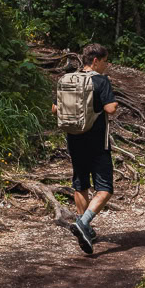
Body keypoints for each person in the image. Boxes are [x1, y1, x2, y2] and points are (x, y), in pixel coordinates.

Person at [52, 42, 118, 255]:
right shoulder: (101, 80)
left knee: (80, 184)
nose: (106, 66)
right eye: (105, 61)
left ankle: (85, 229)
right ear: (96, 60)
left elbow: (54, 109)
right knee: (105, 187)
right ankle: (84, 223)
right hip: (97, 141)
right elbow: (110, 108)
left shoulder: (68, 78)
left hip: (74, 138)